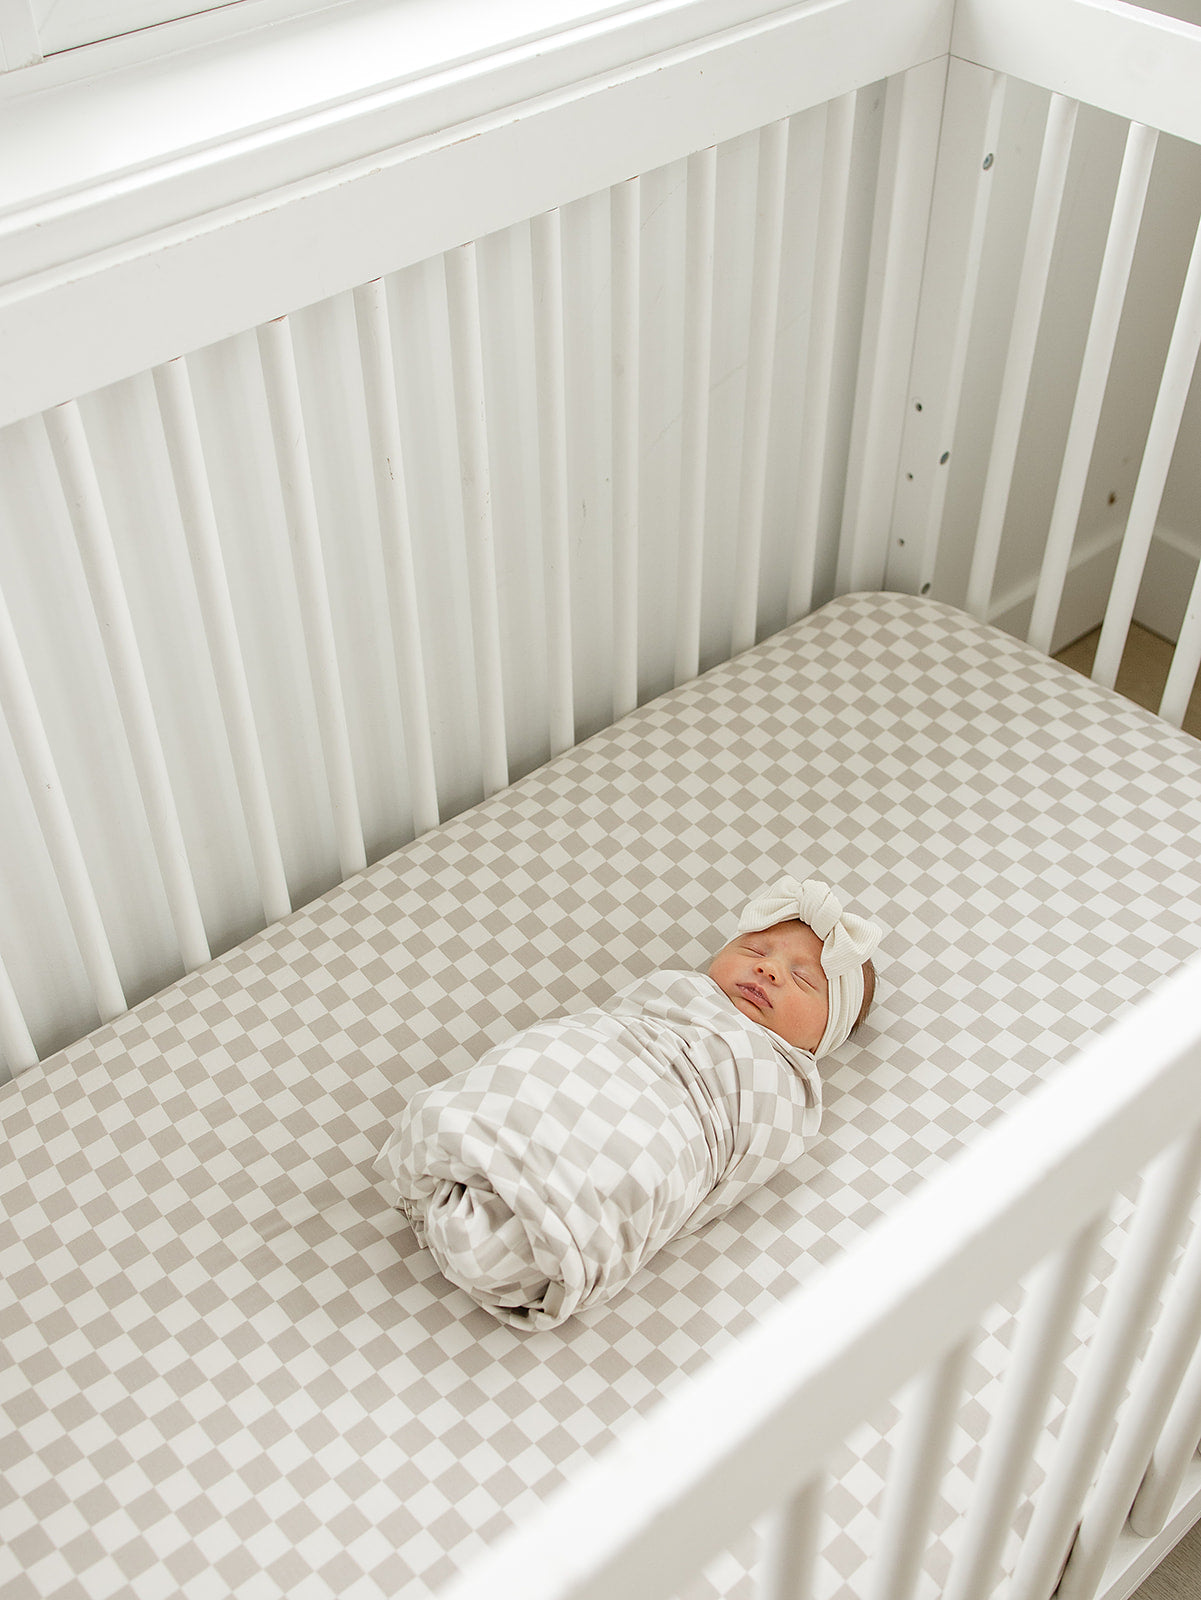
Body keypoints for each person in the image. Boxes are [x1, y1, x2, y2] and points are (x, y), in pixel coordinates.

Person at [377, 875, 881, 1330]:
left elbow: (729, 1173)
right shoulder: (682, 990)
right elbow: (608, 1024)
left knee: (627, 1161)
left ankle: (547, 1219)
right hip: (604, 1055)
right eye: (755, 950)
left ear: (821, 1039)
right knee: (542, 1066)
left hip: (678, 1121)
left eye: (803, 980)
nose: (769, 969)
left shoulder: (790, 1090)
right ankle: (478, 1133)